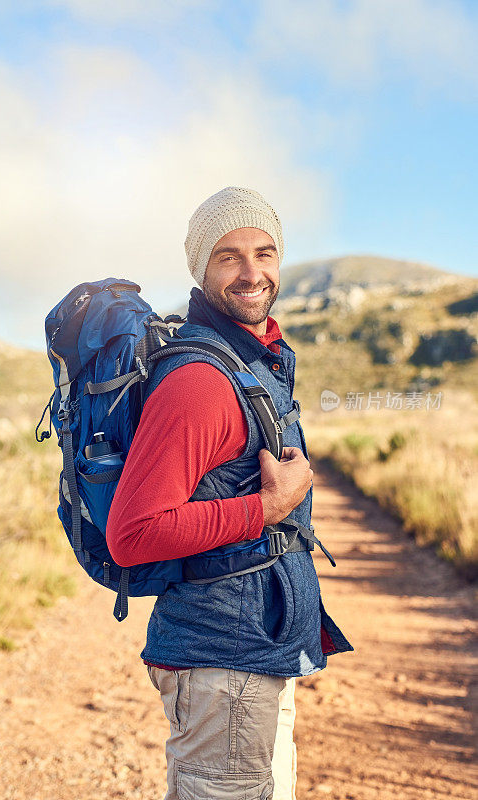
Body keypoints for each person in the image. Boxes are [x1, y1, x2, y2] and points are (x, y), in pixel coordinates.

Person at [106, 186, 353, 800]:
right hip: (224, 665)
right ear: (201, 270)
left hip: (256, 655)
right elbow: (131, 534)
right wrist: (267, 508)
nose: (252, 273)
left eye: (264, 253)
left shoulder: (254, 361)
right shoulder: (201, 382)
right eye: (229, 257)